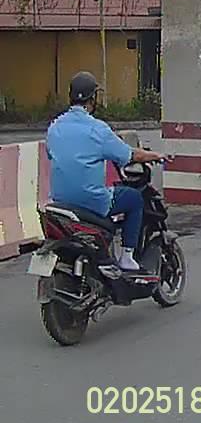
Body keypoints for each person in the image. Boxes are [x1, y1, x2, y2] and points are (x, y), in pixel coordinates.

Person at [46, 72, 165, 274]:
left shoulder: (55, 127)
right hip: (92, 201)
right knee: (134, 199)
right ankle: (127, 257)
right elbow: (128, 155)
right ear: (93, 99)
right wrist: (154, 155)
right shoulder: (97, 129)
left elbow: (53, 155)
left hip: (61, 201)